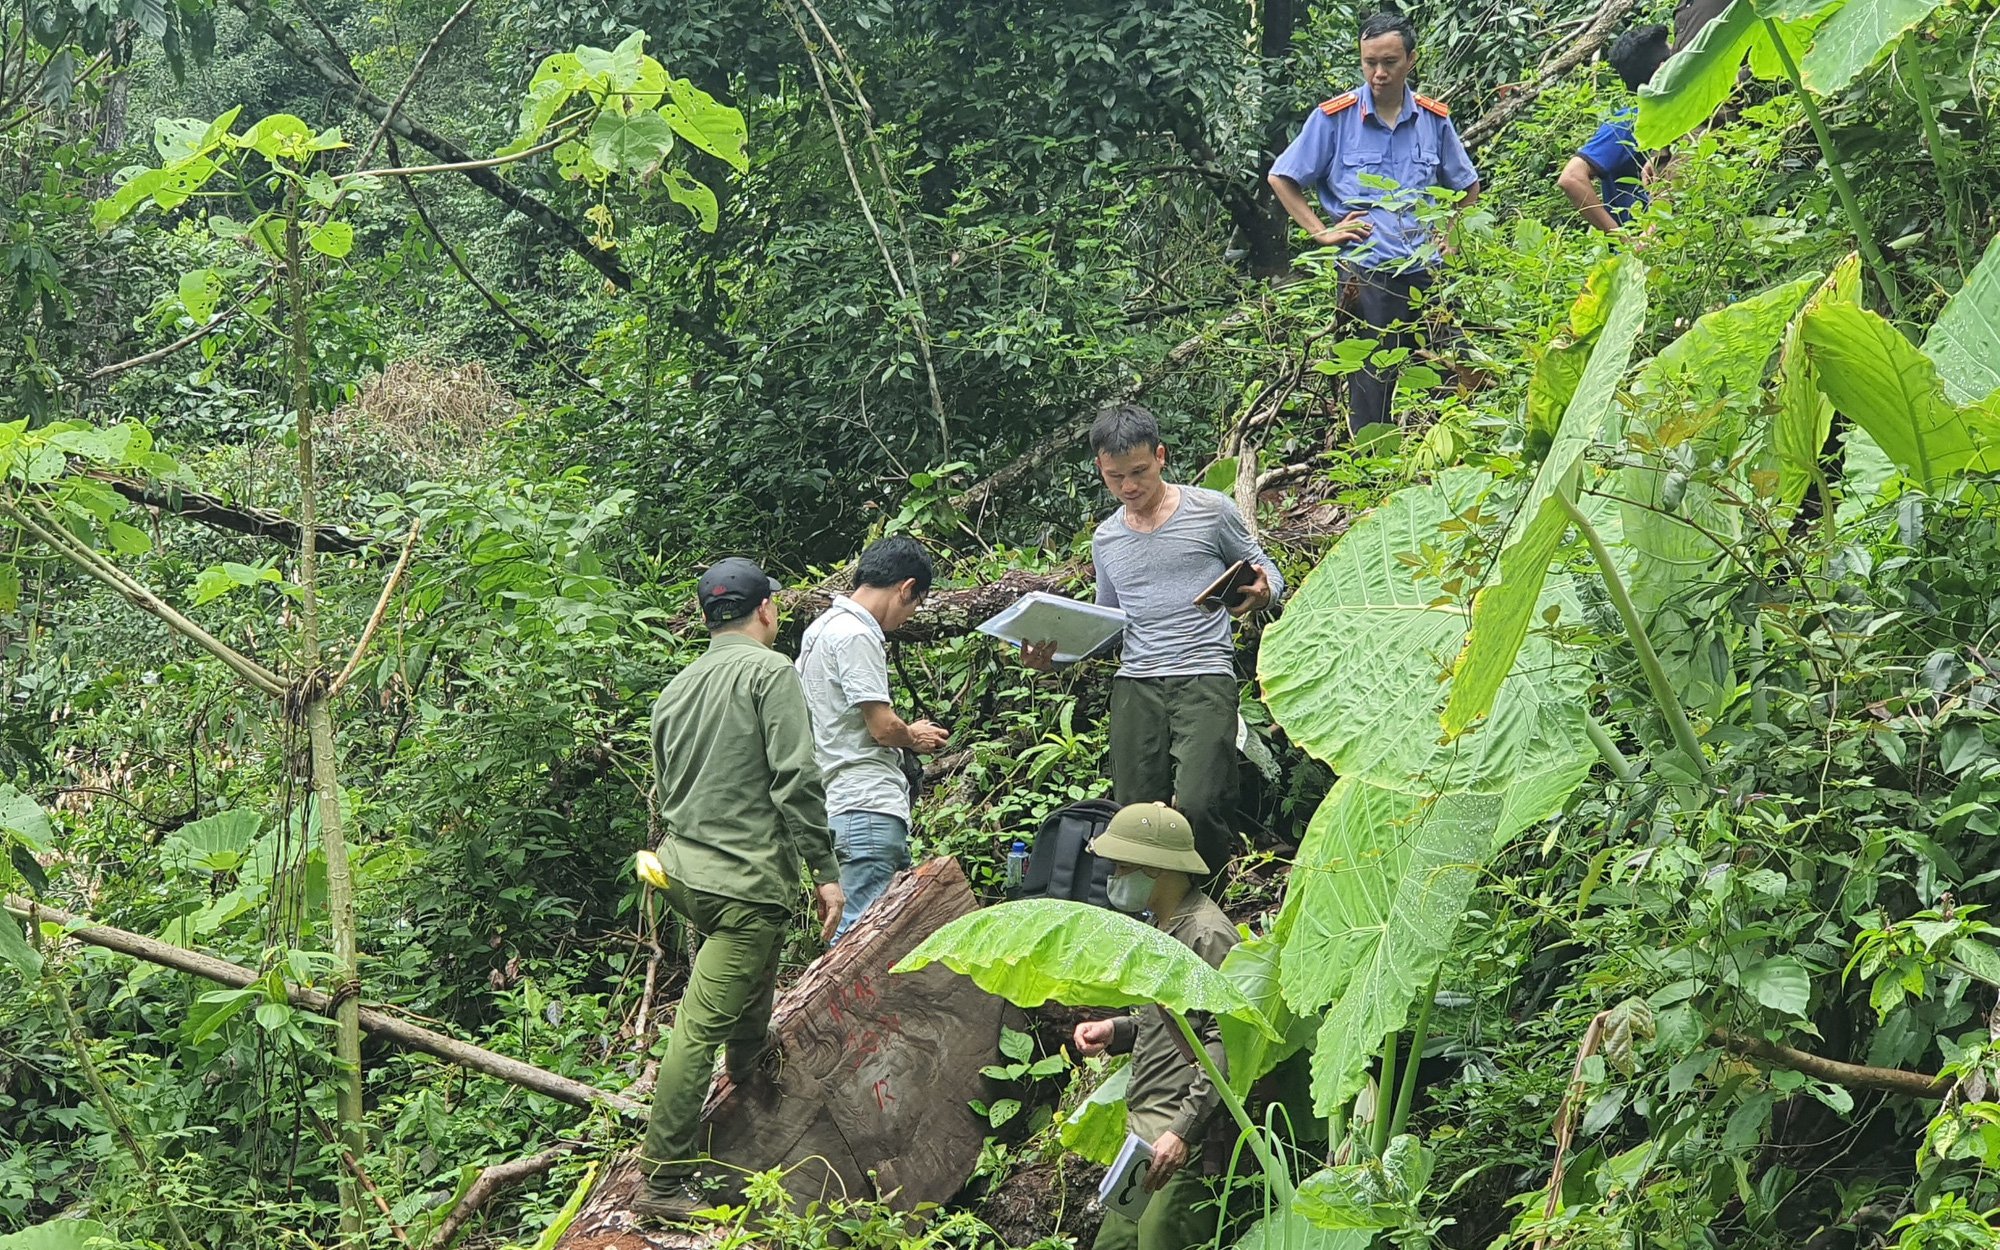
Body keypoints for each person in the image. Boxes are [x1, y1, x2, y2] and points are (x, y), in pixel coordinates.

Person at [636, 557, 845, 1220]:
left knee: (745, 980)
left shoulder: (675, 689)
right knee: (697, 1030)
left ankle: (753, 1063)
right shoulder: (769, 671)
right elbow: (796, 781)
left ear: (703, 618)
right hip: (743, 883)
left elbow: (670, 790)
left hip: (684, 875)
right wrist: (826, 872)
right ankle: (662, 1180)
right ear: (767, 611)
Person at [1025, 404, 1283, 879]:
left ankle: (1205, 908)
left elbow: (1267, 571)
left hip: (1203, 672)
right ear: (1101, 471)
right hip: (1136, 684)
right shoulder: (1107, 539)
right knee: (1134, 816)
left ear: (1161, 456)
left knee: (1203, 803)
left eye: (1139, 472)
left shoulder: (1210, 510)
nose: (1128, 487)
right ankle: (1149, 918)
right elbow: (1105, 625)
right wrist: (1056, 658)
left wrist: (1264, 591)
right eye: (1115, 477)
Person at [1267, 11, 1481, 433]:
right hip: (1366, 273)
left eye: (1390, 62)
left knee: (1452, 375)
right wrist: (1321, 232)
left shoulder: (1434, 120)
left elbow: (1467, 186)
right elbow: (1282, 176)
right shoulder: (1335, 118)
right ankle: (1368, 475)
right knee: (1369, 383)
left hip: (1428, 273)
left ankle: (1442, 466)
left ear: (1411, 60)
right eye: (1370, 63)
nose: (1379, 73)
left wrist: (1452, 235)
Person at [1071, 803, 1242, 1250]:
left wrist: (1184, 1131)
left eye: (1123, 866)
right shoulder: (1162, 929)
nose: (1114, 878)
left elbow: (1226, 1043)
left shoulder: (1208, 933)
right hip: (1141, 1138)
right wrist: (1116, 1030)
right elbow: (1168, 1022)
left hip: (1179, 1143)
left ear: (1157, 868)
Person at [797, 536, 951, 940]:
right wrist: (913, 736)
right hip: (867, 806)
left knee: (882, 938)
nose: (909, 615)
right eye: (915, 604)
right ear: (905, 588)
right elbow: (882, 727)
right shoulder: (856, 634)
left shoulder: (819, 630)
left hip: (840, 805)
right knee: (862, 941)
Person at [1556, 25, 1673, 235]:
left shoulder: (1674, 116)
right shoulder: (1630, 122)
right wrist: (1624, 239)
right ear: (1662, 68)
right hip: (1644, 255)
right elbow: (1571, 177)